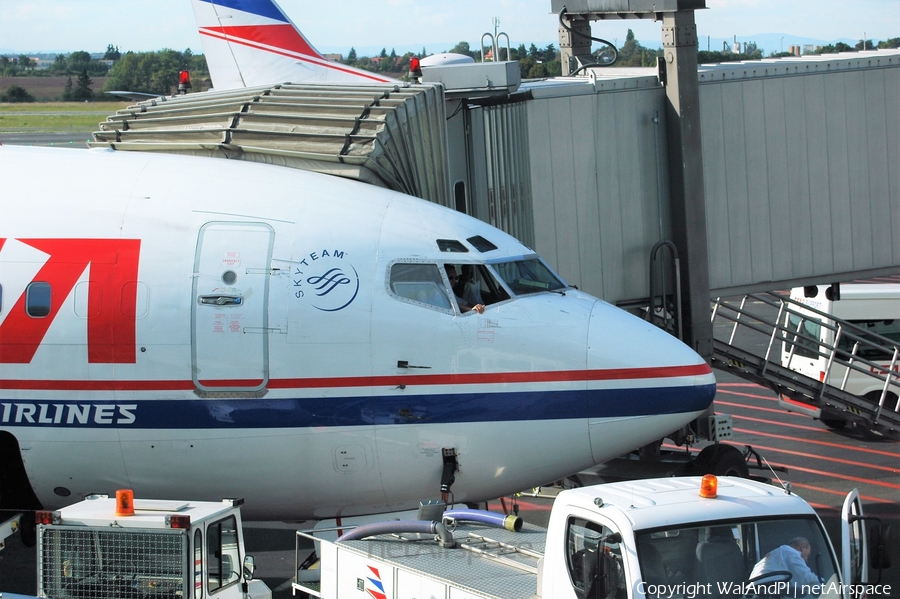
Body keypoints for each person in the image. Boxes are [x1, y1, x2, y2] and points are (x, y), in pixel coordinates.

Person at [750, 537, 823, 596]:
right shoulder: (791, 552)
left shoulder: (772, 556)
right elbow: (806, 577)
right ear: (803, 547)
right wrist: (824, 585)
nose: (806, 560)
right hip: (769, 591)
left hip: (754, 592)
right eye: (808, 555)